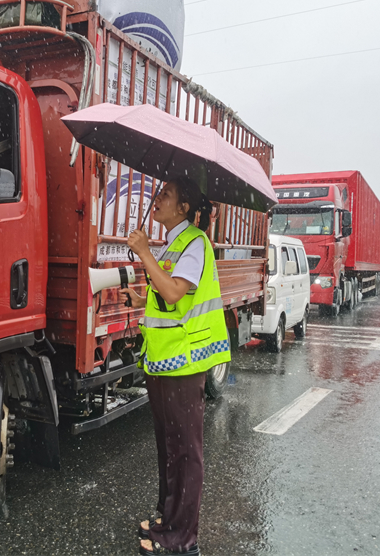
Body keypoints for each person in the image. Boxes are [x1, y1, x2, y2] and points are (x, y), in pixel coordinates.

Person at [119, 177, 231, 556]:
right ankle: (168, 519)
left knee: (186, 451)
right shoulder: (173, 243)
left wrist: (144, 253)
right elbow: (167, 300)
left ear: (184, 208)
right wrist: (139, 295)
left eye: (165, 195)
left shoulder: (195, 242)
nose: (157, 199)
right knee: (169, 446)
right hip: (164, 361)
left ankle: (183, 539)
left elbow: (174, 290)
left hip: (186, 362)